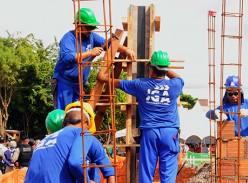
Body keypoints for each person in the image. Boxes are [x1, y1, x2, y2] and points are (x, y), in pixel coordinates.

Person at [97, 50, 184, 183]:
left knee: (146, 172)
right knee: (168, 176)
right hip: (169, 133)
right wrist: (164, 68)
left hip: (150, 133)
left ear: (151, 69)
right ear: (166, 70)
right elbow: (179, 78)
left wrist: (102, 77)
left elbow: (115, 82)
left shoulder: (141, 85)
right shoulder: (174, 86)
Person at [53, 7, 135, 110]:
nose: (90, 31)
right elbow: (67, 57)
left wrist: (126, 50)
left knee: (77, 114)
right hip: (64, 82)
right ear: (78, 25)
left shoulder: (91, 36)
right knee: (63, 114)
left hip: (79, 84)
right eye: (88, 28)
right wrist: (90, 53)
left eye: (92, 28)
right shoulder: (68, 38)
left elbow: (109, 45)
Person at [24, 101, 115, 183]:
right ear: (86, 122)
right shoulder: (82, 133)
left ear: (64, 123)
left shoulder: (44, 141)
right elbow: (75, 162)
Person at [206, 75, 248, 140]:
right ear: (227, 93)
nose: (233, 96)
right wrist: (215, 112)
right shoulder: (224, 108)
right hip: (232, 143)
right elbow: (208, 114)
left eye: (236, 93)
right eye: (230, 94)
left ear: (240, 92)